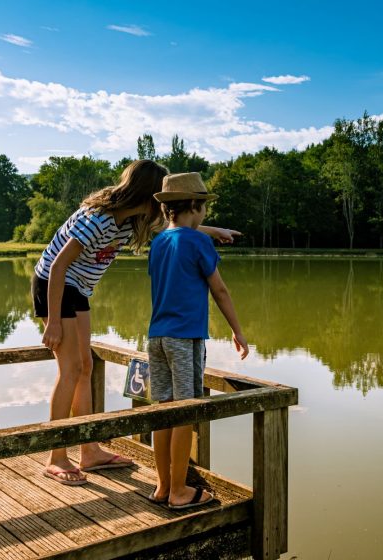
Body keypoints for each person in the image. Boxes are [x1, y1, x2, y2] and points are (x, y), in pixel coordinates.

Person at [32, 160, 239, 485]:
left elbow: (178, 228)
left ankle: (89, 451)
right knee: (70, 368)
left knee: (85, 367)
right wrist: (53, 321)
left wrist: (217, 231)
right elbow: (57, 267)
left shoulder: (132, 221)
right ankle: (56, 456)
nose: (162, 204)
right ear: (146, 193)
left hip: (79, 289)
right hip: (53, 285)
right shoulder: (98, 218)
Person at [147, 172, 249, 509]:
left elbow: (178, 238)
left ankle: (162, 487)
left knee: (163, 411)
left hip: (156, 337)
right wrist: (237, 331)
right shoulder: (198, 243)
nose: (206, 213)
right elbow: (219, 289)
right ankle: (179, 491)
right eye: (204, 206)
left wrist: (210, 231)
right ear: (194, 205)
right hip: (184, 338)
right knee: (186, 413)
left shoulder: (159, 241)